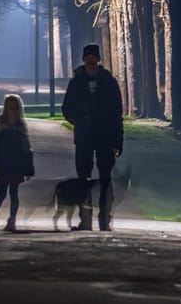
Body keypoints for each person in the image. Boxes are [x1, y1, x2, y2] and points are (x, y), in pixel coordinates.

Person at [61, 43, 123, 230]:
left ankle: (105, 217)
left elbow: (116, 113)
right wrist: (80, 120)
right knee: (83, 179)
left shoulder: (109, 82)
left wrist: (118, 140)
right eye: (87, 56)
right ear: (84, 59)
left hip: (105, 136)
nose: (90, 60)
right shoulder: (76, 83)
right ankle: (85, 218)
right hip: (84, 136)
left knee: (105, 178)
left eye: (93, 56)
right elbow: (67, 109)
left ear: (97, 59)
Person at [0, 93, 34, 232]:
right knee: (2, 192)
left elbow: (26, 148)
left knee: (14, 192)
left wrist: (29, 170)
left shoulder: (20, 125)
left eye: (14, 108)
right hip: (2, 163)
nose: (12, 110)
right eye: (10, 107)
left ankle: (12, 220)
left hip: (16, 164)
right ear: (5, 108)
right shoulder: (0, 123)